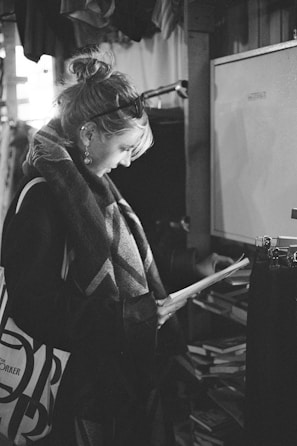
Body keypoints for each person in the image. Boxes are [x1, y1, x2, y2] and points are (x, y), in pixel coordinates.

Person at [1, 45, 233, 446]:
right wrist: (130, 316)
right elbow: (34, 304)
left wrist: (191, 265)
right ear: (89, 134)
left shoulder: (88, 189)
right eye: (125, 148)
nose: (126, 162)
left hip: (101, 380)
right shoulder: (45, 195)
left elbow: (121, 261)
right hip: (69, 392)